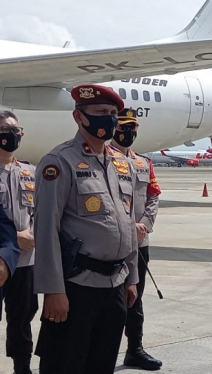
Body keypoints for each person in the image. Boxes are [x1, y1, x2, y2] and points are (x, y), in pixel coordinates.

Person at [33, 84, 139, 374]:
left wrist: (131, 277)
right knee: (65, 364)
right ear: (79, 117)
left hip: (115, 285)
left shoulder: (122, 165)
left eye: (113, 114)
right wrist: (53, 290)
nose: (109, 119)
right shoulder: (59, 162)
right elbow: (45, 230)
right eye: (100, 112)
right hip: (76, 287)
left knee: (102, 364)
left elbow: (127, 224)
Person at [110, 109, 163, 370]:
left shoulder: (143, 162)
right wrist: (125, 225)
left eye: (132, 127)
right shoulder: (102, 158)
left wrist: (144, 224)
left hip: (140, 243)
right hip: (113, 242)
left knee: (135, 298)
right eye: (123, 126)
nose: (128, 132)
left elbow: (153, 195)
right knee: (109, 302)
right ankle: (102, 352)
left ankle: (135, 349)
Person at [0, 111, 38, 373]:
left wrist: (32, 235)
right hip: (1, 260)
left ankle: (21, 365)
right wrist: (15, 238)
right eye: (5, 129)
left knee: (23, 318)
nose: (11, 134)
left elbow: (42, 212)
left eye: (15, 129)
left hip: (26, 261)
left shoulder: (30, 172)